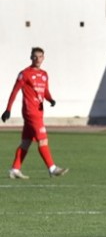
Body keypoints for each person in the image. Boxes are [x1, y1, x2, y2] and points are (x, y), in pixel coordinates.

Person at [2, 47, 68, 179]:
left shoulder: (44, 74)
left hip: (39, 112)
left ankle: (15, 169)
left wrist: (50, 99)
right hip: (30, 112)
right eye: (35, 56)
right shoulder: (24, 74)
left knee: (26, 142)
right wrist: (8, 109)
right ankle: (52, 168)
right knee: (43, 140)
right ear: (31, 58)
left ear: (43, 58)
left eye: (40, 56)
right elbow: (14, 91)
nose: (37, 59)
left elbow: (45, 91)